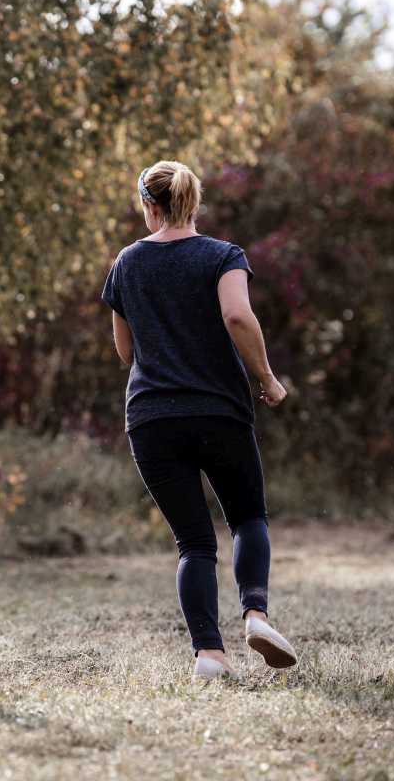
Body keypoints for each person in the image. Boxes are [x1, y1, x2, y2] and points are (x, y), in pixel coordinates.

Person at [101, 160, 298, 680]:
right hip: (219, 411)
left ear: (150, 206)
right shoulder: (222, 256)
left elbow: (125, 351)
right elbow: (237, 316)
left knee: (194, 543)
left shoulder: (126, 263)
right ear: (194, 202)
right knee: (248, 518)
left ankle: (209, 655)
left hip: (151, 419)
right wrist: (268, 379)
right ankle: (255, 613)